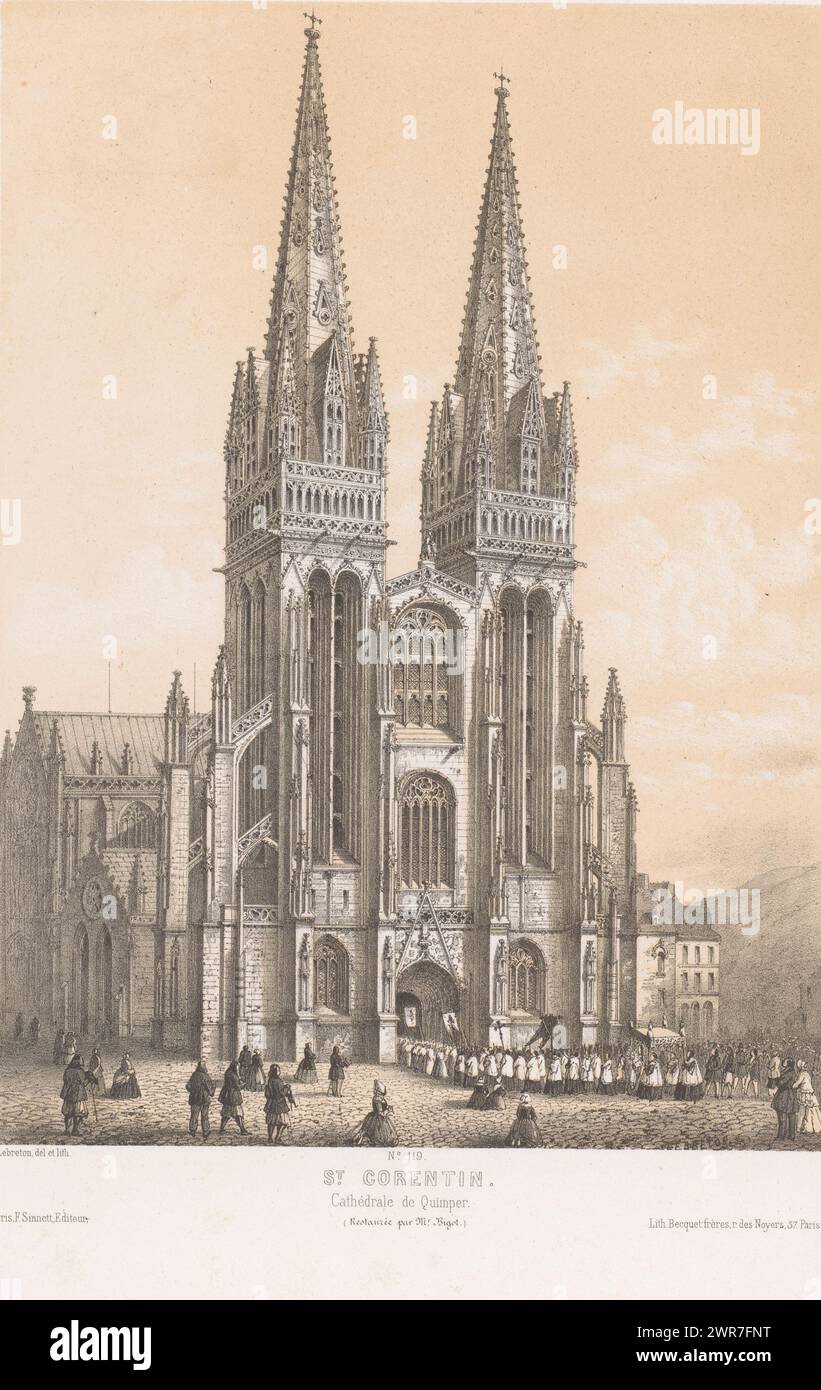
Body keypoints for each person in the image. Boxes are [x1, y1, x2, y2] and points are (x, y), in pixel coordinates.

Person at [60, 1054, 98, 1135]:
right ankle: (75, 1130)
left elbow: (65, 1081)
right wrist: (89, 1078)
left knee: (68, 1113)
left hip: (69, 1094)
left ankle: (67, 1130)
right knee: (78, 1113)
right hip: (78, 1095)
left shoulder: (67, 1071)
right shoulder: (80, 1071)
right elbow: (83, 1083)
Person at [264, 1064, 296, 1144]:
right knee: (283, 1123)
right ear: (275, 1072)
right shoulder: (278, 1081)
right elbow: (281, 1093)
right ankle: (277, 1138)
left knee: (271, 1122)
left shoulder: (270, 1080)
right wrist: (287, 1088)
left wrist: (284, 1087)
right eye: (278, 1070)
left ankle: (270, 1138)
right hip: (279, 1104)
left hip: (271, 1104)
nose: (279, 1072)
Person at [186, 1060, 215, 1138]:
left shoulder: (194, 1075)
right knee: (205, 1115)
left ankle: (192, 1130)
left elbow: (188, 1086)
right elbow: (210, 1088)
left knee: (194, 1115)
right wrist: (211, 1093)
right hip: (204, 1099)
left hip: (195, 1098)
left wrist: (193, 1091)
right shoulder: (206, 1076)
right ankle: (205, 1131)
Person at [772, 1059, 798, 1141]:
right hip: (789, 1095)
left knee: (783, 1114)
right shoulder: (791, 1072)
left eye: (785, 1061)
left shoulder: (789, 1073)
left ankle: (782, 1136)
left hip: (785, 1095)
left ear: (788, 1064)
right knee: (790, 1115)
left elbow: (781, 1082)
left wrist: (775, 1079)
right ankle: (791, 1135)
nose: (783, 1062)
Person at [218, 1061, 248, 1134]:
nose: (238, 1068)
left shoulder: (228, 1072)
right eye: (237, 1066)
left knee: (227, 1114)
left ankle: (222, 1129)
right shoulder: (233, 1075)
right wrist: (244, 1084)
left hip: (228, 1095)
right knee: (238, 1114)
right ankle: (242, 1130)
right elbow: (237, 1086)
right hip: (233, 1095)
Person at [793, 1060, 821, 1135]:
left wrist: (792, 1085)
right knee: (810, 1111)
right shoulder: (807, 1074)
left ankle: (800, 1128)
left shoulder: (802, 1074)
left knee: (802, 1111)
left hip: (805, 1094)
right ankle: (812, 1128)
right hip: (810, 1094)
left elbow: (797, 1084)